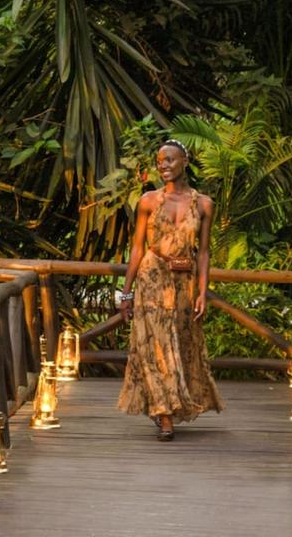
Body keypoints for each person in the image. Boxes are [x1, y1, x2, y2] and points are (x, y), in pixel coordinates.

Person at [116, 139, 224, 441]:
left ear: (185, 162)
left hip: (184, 281)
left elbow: (203, 252)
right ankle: (164, 415)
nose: (163, 165)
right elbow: (136, 249)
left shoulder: (203, 204)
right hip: (152, 276)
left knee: (181, 343)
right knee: (156, 346)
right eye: (159, 160)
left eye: (170, 160)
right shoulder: (149, 201)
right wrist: (126, 293)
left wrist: (203, 291)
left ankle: (166, 406)